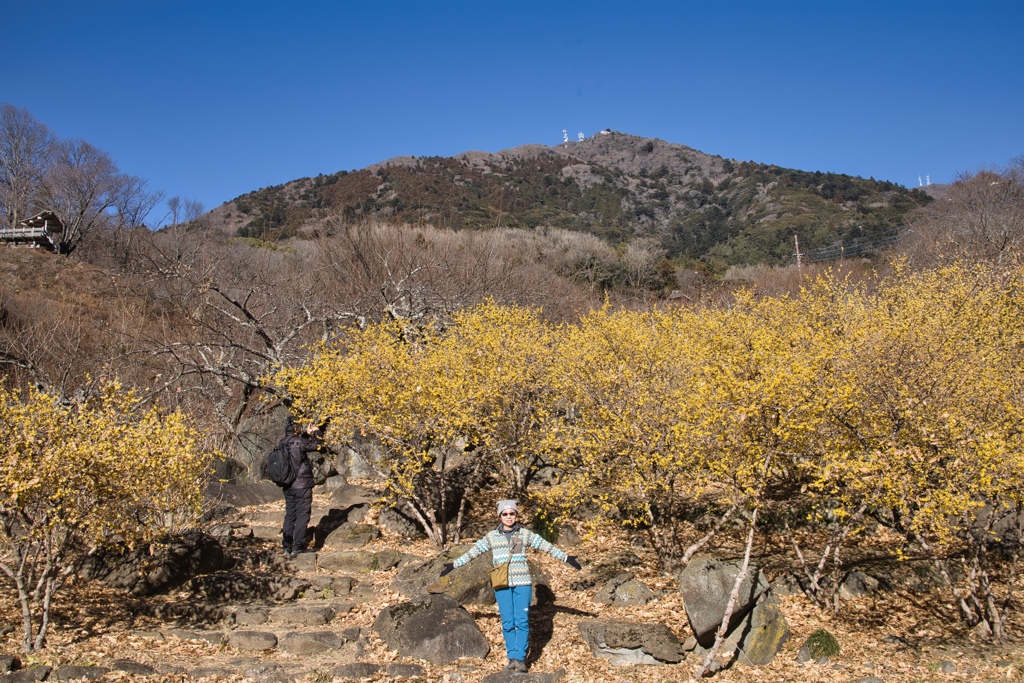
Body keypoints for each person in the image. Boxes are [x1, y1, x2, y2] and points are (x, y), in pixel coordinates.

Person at [440, 499, 582, 673]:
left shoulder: (524, 534)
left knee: (521, 621)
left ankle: (521, 659)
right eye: (505, 514)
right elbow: (473, 552)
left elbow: (546, 546)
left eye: (512, 513)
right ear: (500, 516)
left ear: (516, 515)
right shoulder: (492, 537)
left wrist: (567, 558)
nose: (508, 517)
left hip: (522, 584)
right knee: (508, 621)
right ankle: (512, 658)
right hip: (502, 584)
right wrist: (454, 565)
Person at [280, 419, 322, 557]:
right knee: (302, 514)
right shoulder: (299, 442)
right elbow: (318, 445)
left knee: (290, 514)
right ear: (296, 429)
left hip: (288, 484)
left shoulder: (282, 443)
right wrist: (316, 432)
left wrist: (305, 433)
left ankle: (287, 546)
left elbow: (298, 445)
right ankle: (298, 546)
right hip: (302, 484)